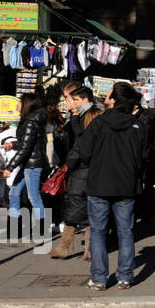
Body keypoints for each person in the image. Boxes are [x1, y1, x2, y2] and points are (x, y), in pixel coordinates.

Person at [65, 81, 154, 290]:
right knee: (125, 231)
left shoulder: (99, 123)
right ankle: (125, 276)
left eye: (109, 95)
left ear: (114, 100)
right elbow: (144, 156)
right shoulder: (137, 125)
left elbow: (84, 152)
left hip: (99, 184)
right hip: (126, 185)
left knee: (98, 232)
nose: (105, 98)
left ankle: (99, 278)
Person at [51, 86, 97, 259]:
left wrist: (70, 161)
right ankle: (74, 248)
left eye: (74, 99)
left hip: (82, 167)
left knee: (80, 206)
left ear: (84, 99)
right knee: (79, 207)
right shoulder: (79, 115)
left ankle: (74, 248)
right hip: (79, 167)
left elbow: (82, 142)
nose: (71, 102)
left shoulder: (89, 115)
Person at [4, 93, 50, 239]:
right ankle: (15, 228)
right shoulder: (29, 120)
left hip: (33, 164)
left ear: (26, 104)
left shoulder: (31, 121)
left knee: (33, 196)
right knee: (14, 193)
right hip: (28, 162)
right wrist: (12, 144)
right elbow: (26, 143)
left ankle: (42, 230)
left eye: (19, 102)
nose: (17, 105)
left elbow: (26, 148)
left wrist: (9, 167)